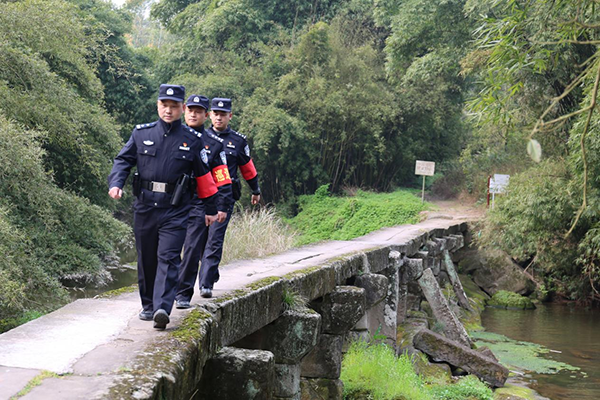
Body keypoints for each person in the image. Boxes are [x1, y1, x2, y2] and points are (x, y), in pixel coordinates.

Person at [107, 84, 219, 330]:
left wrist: (211, 209)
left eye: (174, 106)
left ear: (181, 108)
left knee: (168, 257)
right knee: (147, 257)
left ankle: (162, 308)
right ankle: (148, 305)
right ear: (158, 105)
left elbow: (204, 177)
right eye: (164, 105)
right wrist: (116, 183)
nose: (168, 111)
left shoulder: (192, 140)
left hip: (176, 209)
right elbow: (123, 160)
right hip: (145, 207)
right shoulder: (141, 134)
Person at [195, 97, 261, 298]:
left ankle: (205, 284)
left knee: (214, 239)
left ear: (229, 116)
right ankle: (211, 270)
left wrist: (255, 190)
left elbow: (247, 167)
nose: (219, 117)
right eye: (215, 113)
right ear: (209, 115)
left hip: (225, 197)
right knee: (199, 241)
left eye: (223, 114)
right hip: (201, 197)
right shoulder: (199, 138)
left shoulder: (238, 141)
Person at [175, 95, 234, 309]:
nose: (193, 114)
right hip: (172, 202)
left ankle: (182, 294)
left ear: (204, 114)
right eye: (190, 109)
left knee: (191, 249)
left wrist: (222, 206)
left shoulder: (214, 145)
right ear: (184, 110)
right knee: (167, 249)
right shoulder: (172, 135)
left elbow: (223, 178)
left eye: (198, 111)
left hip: (200, 203)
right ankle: (161, 292)